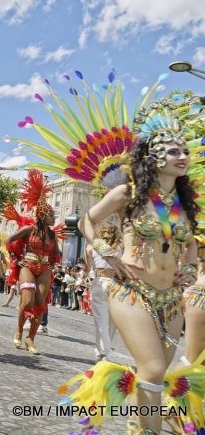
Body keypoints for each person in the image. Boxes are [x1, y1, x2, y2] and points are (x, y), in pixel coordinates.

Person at [76, 103, 197, 433]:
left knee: (154, 377)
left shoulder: (184, 205)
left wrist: (190, 266)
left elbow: (189, 244)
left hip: (171, 298)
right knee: (154, 367)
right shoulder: (126, 193)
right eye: (173, 151)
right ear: (154, 156)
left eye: (185, 151)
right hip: (131, 290)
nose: (182, 156)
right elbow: (87, 221)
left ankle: (140, 426)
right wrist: (107, 252)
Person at [5, 171, 62, 355]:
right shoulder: (29, 229)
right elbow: (8, 241)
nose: (54, 218)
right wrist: (15, 260)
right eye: (51, 215)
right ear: (42, 215)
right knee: (27, 301)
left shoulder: (52, 235)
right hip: (27, 266)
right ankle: (19, 330)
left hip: (44, 268)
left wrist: (54, 265)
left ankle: (31, 338)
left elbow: (57, 253)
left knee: (40, 304)